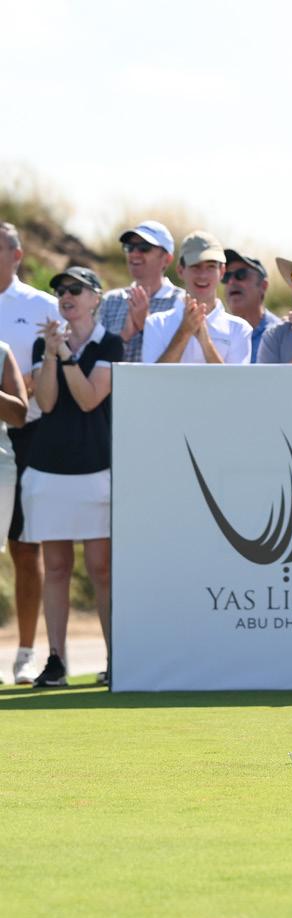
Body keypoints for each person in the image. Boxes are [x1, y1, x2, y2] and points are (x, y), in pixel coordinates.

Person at [24, 267, 122, 686]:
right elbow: (46, 402)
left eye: (75, 289)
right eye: (61, 290)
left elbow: (88, 398)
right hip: (49, 469)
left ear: (95, 298)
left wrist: (64, 353)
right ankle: (56, 660)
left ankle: (116, 658)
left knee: (102, 569)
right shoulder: (43, 343)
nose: (65, 295)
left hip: (96, 469)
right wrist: (51, 353)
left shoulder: (110, 343)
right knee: (57, 567)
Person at [0, 222, 54, 683]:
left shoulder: (40, 304)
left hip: (28, 433)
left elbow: (56, 358)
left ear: (16, 255)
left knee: (25, 543)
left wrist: (28, 386)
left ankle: (25, 652)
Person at [142, 232, 252, 365]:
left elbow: (236, 379)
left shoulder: (240, 329)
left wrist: (206, 342)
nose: (203, 275)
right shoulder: (156, 324)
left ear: (222, 271)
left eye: (211, 266)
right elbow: (153, 377)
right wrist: (184, 332)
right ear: (180, 270)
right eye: (195, 266)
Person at [97, 220, 183, 363]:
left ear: (167, 259)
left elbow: (182, 359)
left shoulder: (182, 302)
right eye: (129, 247)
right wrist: (123, 336)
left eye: (144, 248)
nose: (134, 254)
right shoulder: (111, 300)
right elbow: (95, 360)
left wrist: (146, 325)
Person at [222, 250, 282, 363]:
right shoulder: (216, 333)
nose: (231, 281)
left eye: (241, 274)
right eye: (226, 276)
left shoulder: (281, 335)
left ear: (263, 286)